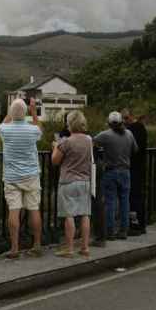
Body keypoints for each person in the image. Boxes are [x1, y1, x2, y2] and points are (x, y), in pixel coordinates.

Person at [0, 97, 43, 259]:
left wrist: (11, 110)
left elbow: (4, 122)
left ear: (11, 112)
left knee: (14, 210)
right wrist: (33, 111)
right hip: (31, 175)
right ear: (25, 113)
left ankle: (14, 248)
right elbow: (40, 129)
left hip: (11, 177)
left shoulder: (4, 130)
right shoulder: (32, 130)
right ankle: (37, 245)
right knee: (34, 209)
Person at [52, 110, 92, 258]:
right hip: (85, 181)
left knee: (69, 215)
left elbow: (55, 161)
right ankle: (85, 247)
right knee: (85, 214)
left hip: (68, 181)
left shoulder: (66, 142)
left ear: (70, 124)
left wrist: (55, 146)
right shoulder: (88, 140)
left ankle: (69, 249)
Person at [94, 112, 139, 239]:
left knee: (110, 202)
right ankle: (124, 230)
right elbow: (135, 149)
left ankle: (110, 231)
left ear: (109, 123)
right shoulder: (129, 134)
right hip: (126, 171)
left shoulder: (106, 135)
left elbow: (91, 142)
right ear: (121, 122)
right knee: (125, 201)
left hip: (111, 171)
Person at [122, 109, 149, 235]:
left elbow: (132, 149)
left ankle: (135, 224)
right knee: (138, 196)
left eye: (125, 118)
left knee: (133, 197)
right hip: (140, 166)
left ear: (131, 117)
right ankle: (141, 223)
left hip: (133, 167)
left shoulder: (131, 131)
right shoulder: (141, 128)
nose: (124, 121)